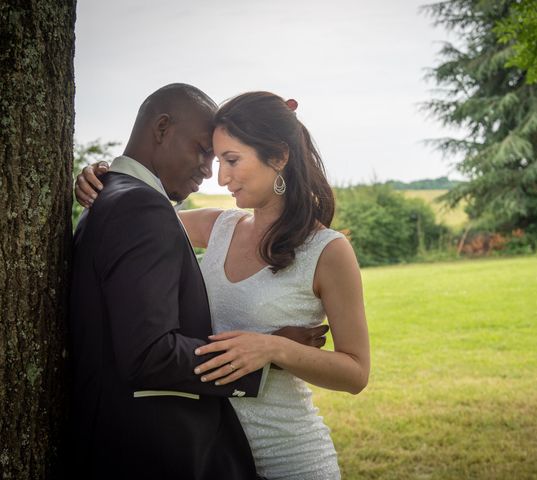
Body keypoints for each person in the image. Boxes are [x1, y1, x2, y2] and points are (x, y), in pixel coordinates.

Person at [76, 91, 370, 480]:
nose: (220, 177)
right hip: (214, 455)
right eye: (216, 160)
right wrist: (102, 177)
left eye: (231, 160)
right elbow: (133, 216)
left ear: (279, 157)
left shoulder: (329, 251)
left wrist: (274, 347)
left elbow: (355, 372)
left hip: (289, 456)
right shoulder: (217, 227)